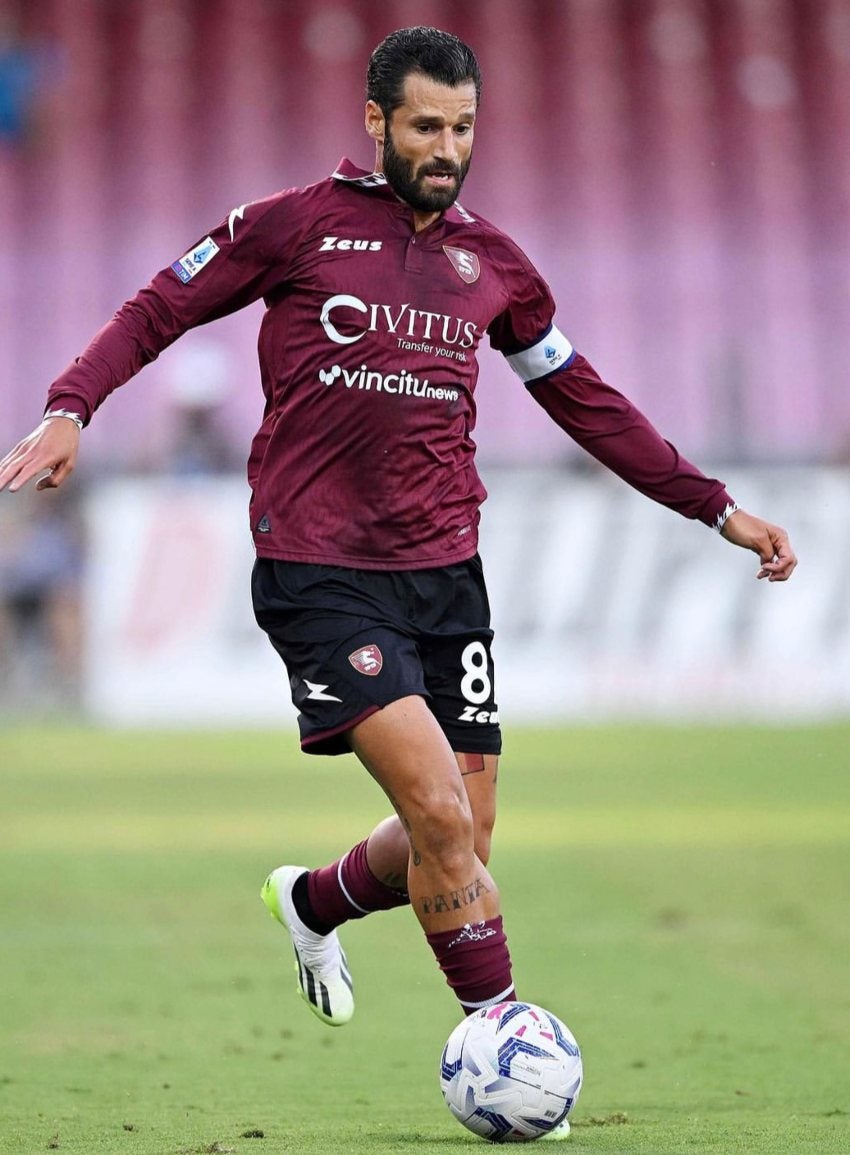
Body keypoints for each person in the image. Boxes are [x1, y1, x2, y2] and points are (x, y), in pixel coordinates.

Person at [0, 26, 796, 1135]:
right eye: (425, 125)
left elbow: (587, 401)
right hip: (319, 566)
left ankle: (312, 899)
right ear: (376, 121)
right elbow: (157, 307)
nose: (445, 147)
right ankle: (508, 1042)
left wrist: (715, 506)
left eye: (463, 128)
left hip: (445, 569)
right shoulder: (292, 225)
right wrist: (69, 406)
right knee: (434, 810)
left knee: (463, 828)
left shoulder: (496, 266)